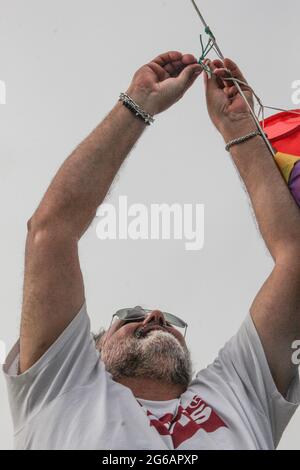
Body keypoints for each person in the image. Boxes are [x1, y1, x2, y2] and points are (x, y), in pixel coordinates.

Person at [3, 51, 300, 450]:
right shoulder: (62, 383)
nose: (155, 315)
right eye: (132, 317)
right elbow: (50, 231)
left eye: (156, 317)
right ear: (93, 351)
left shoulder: (240, 394)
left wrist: (238, 126)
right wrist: (138, 102)